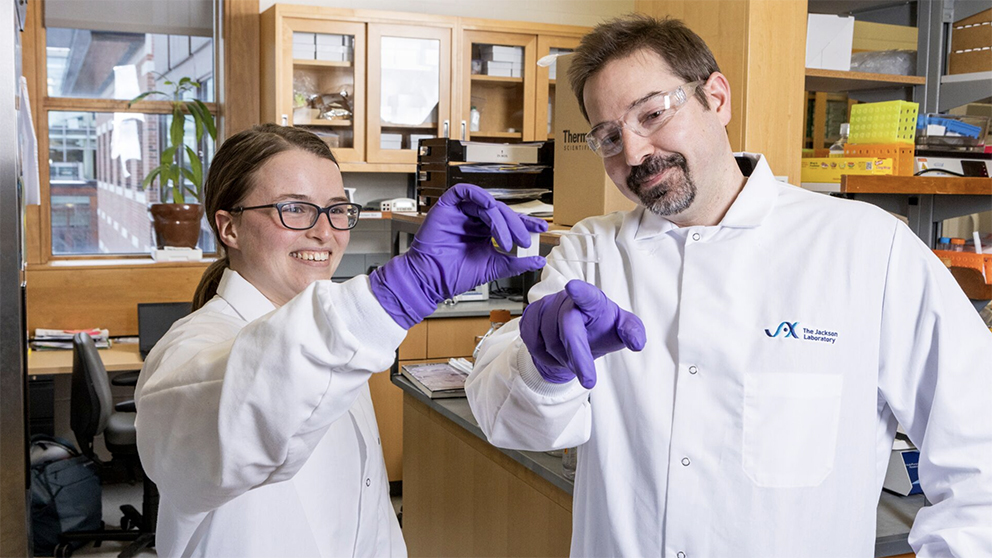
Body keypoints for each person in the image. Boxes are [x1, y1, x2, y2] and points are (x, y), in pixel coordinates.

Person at [466, 14, 992, 558]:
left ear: (716, 98)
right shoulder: (591, 255)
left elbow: (980, 453)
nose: (635, 152)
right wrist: (541, 366)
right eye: (608, 137)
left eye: (651, 114)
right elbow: (508, 423)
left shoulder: (867, 248)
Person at [134, 123, 546, 557]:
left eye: (336, 209)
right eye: (294, 209)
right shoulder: (188, 352)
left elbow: (367, 511)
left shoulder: (333, 336)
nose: (324, 232)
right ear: (229, 227)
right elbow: (248, 401)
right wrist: (401, 291)